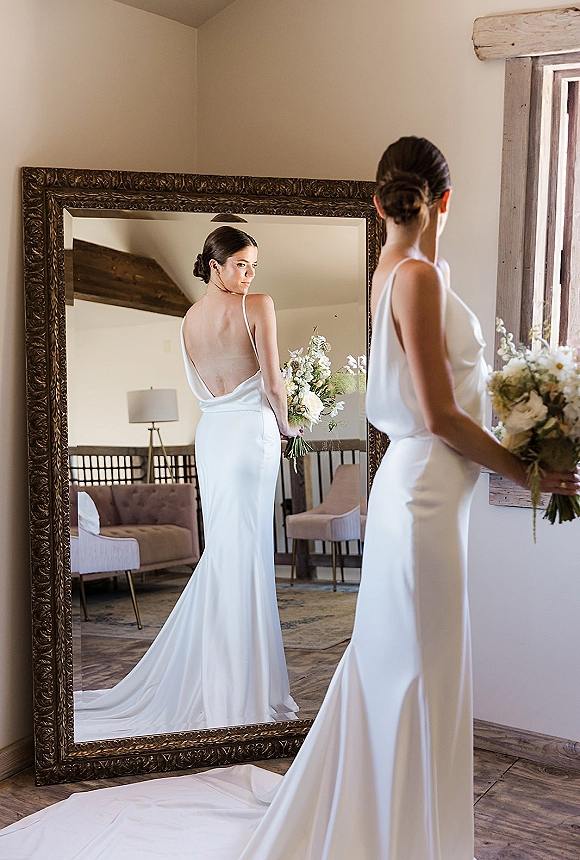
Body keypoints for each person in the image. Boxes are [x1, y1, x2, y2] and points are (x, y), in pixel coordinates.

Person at [3, 139, 577, 858]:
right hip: (421, 486)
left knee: (395, 659)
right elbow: (437, 415)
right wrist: (530, 472)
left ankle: (394, 821)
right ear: (445, 202)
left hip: (373, 476)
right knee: (414, 662)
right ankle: (404, 830)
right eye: (240, 263)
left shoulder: (388, 270)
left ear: (377, 202)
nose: (248, 274)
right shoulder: (418, 275)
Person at [74, 226, 300, 741]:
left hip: (214, 436)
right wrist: (290, 425)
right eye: (242, 265)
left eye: (254, 268)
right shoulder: (259, 306)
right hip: (250, 436)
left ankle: (222, 679)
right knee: (244, 552)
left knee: (229, 550)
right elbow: (271, 380)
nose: (249, 276)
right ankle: (241, 688)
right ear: (215, 265)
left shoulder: (187, 321)